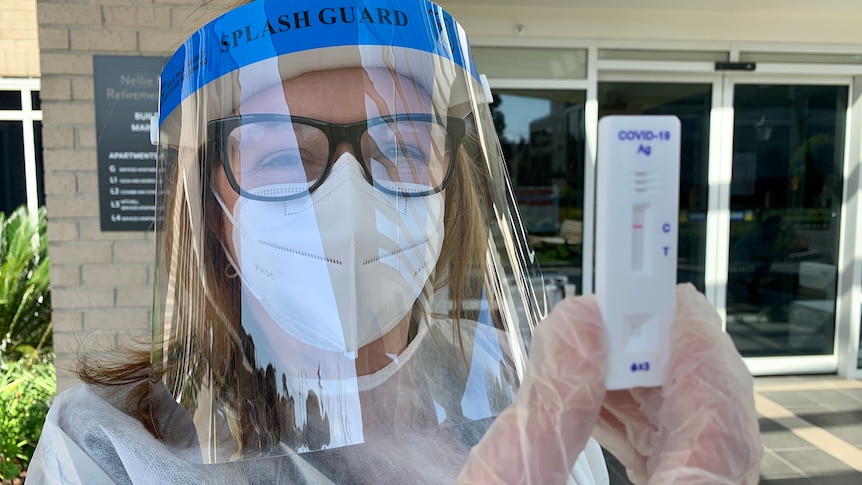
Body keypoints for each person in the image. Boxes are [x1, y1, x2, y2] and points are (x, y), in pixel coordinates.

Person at [28, 0, 762, 483]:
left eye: (401, 149)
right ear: (213, 209)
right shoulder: (109, 455)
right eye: (287, 158)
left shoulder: (539, 410)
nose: (348, 201)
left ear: (451, 189)